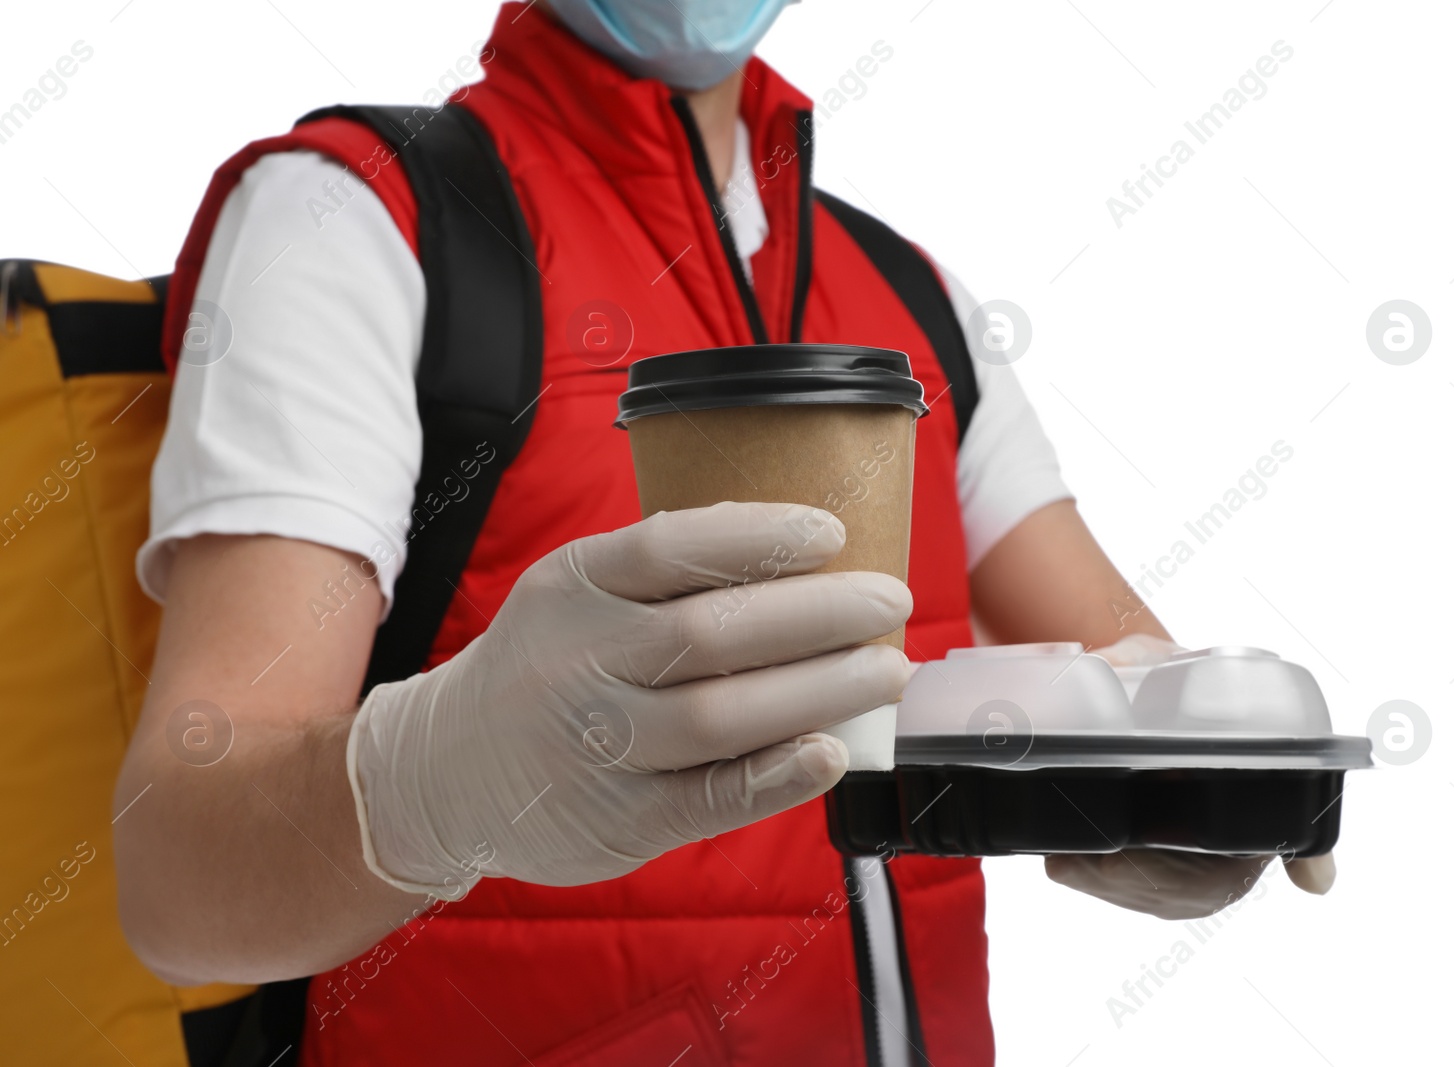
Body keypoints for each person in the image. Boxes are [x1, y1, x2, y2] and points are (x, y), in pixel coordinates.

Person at [112, 2, 1335, 1064]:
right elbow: (178, 874)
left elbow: (1128, 674)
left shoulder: (913, 298)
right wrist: (434, 779)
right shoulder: (353, 221)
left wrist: (1192, 792)